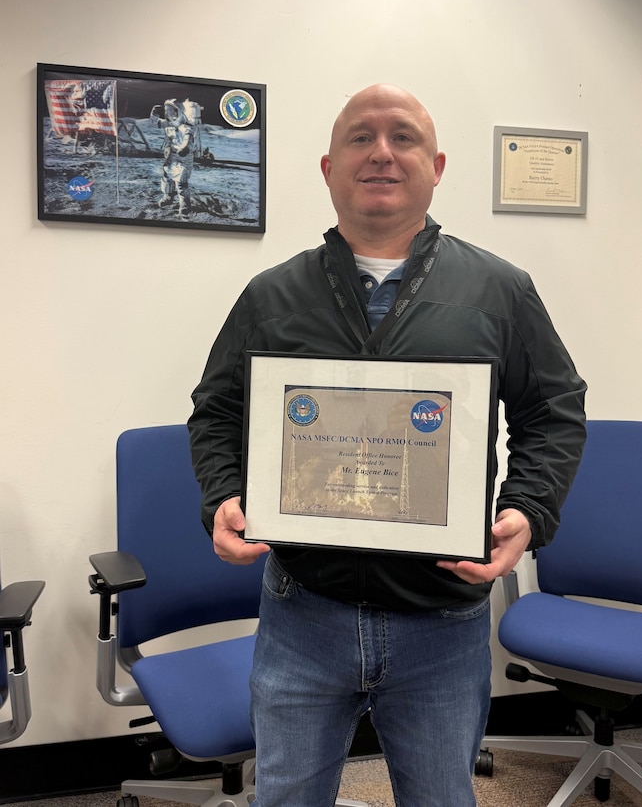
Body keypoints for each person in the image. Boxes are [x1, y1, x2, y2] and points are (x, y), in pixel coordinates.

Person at [188, 84, 587, 807]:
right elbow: (216, 413)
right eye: (359, 138)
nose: (381, 152)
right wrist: (222, 495)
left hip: (443, 619)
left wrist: (527, 511)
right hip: (302, 612)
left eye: (402, 137)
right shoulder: (270, 296)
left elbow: (554, 411)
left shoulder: (500, 291)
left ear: (435, 166)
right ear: (327, 167)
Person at [150, 99, 195, 217]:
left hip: (184, 157)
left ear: (178, 111)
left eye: (170, 110)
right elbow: (155, 123)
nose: (168, 113)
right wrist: (154, 113)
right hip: (172, 156)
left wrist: (184, 147)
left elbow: (188, 137)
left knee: (181, 183)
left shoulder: (185, 126)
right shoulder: (168, 124)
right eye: (166, 111)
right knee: (167, 177)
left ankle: (185, 205)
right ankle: (168, 197)